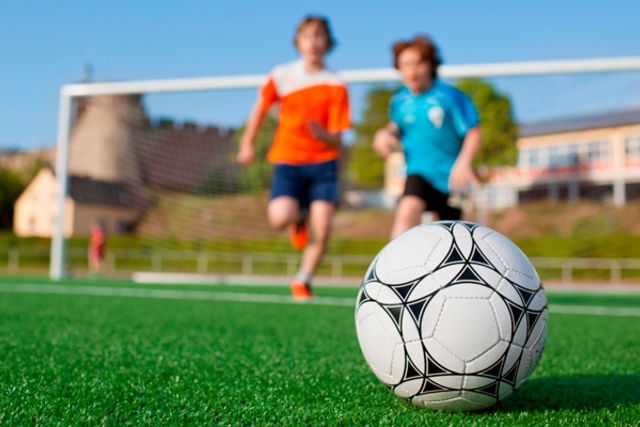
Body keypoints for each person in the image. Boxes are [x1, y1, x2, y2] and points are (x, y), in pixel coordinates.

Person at [237, 16, 350, 300]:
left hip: (324, 163)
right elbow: (260, 109)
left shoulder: (336, 83)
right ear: (298, 42)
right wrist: (247, 143)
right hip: (288, 160)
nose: (314, 42)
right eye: (308, 36)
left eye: (320, 36)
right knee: (279, 217)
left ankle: (303, 279)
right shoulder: (282, 75)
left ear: (328, 43)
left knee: (323, 227)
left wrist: (323, 134)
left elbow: (338, 136)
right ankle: (297, 218)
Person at [373, 35, 482, 239]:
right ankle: (393, 268)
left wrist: (464, 162)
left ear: (431, 65)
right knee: (407, 211)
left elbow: (473, 131)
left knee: (454, 236)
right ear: (399, 68)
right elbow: (396, 126)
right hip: (420, 173)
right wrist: (384, 134)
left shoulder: (450, 96)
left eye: (418, 63)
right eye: (406, 64)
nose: (412, 70)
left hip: (451, 177)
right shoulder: (399, 100)